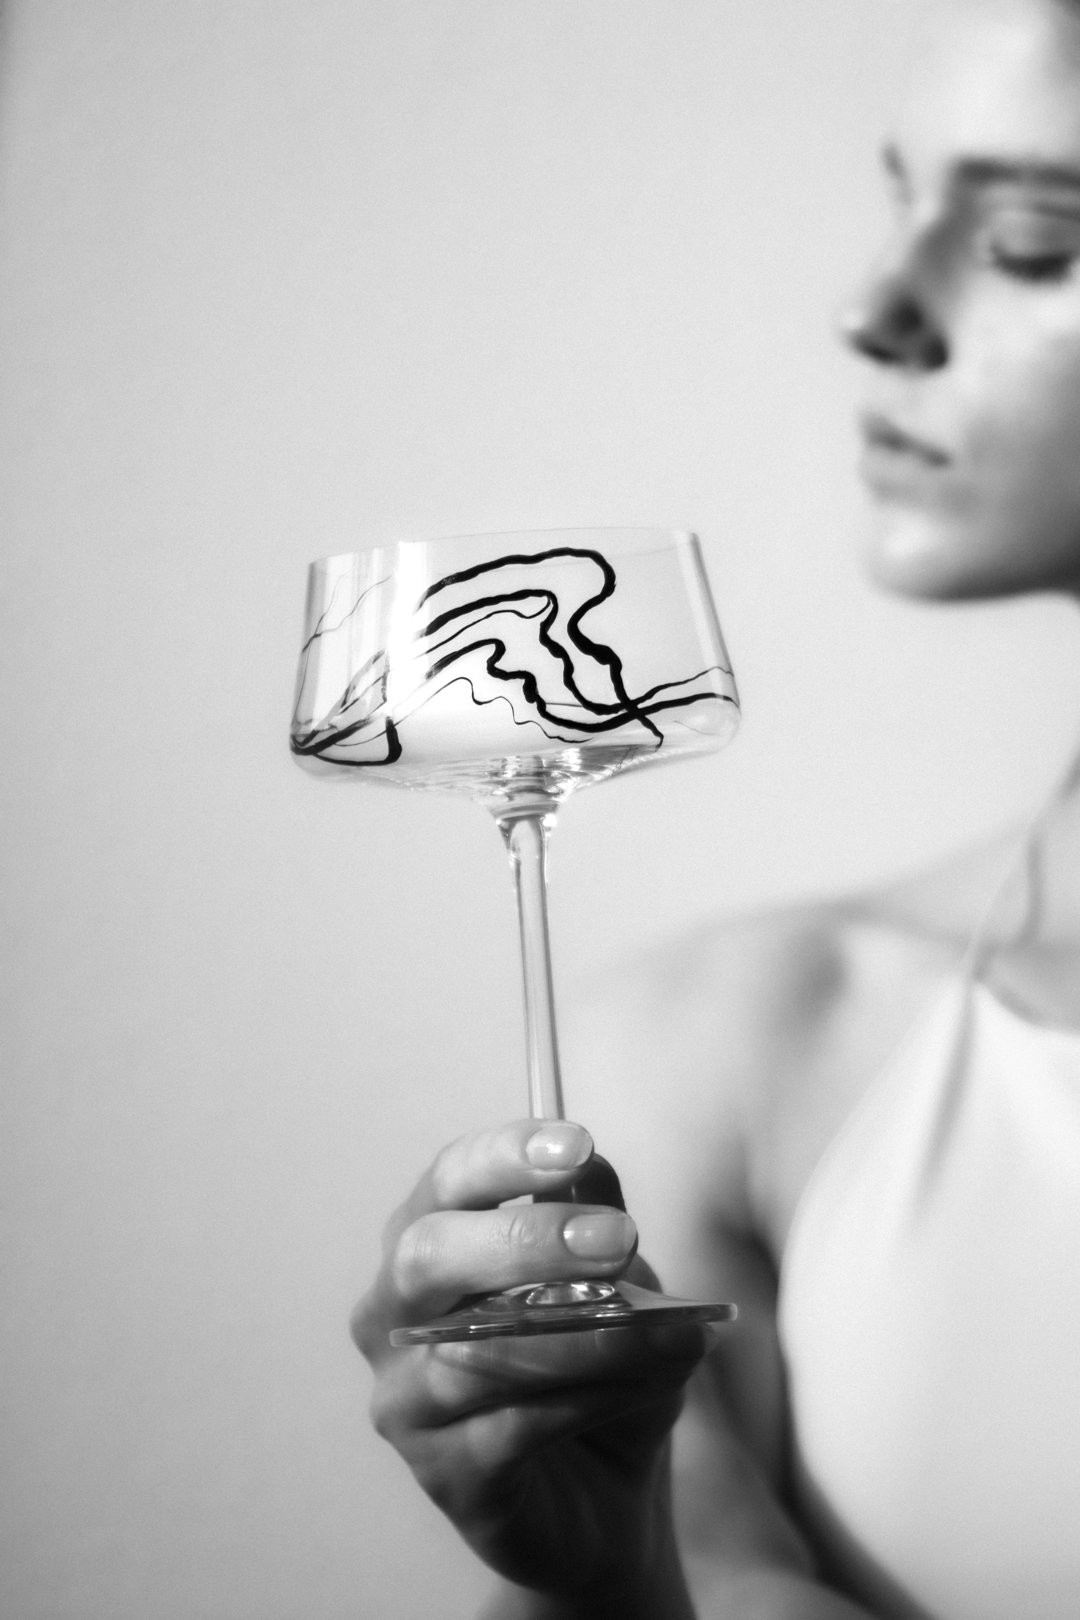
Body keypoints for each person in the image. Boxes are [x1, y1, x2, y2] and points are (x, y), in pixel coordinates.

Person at [353, 1, 1080, 1614]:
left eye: (1032, 242)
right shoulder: (727, 1054)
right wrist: (608, 1578)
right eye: (903, 198)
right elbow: (708, 1575)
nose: (872, 308)